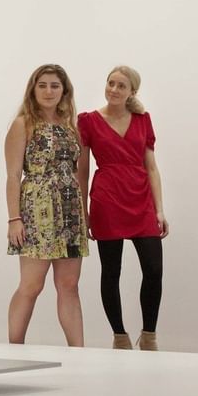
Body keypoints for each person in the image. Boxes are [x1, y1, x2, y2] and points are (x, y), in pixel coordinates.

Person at [77, 66, 167, 351]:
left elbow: (151, 167)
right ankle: (120, 336)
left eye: (121, 86)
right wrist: (84, 211)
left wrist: (159, 210)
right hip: (107, 198)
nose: (114, 89)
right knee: (111, 270)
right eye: (111, 83)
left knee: (153, 269)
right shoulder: (89, 121)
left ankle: (149, 335)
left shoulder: (143, 119)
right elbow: (82, 170)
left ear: (132, 92)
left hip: (140, 197)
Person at [6, 64, 88, 346]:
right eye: (42, 85)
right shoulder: (23, 125)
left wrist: (83, 216)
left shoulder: (70, 126)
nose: (49, 91)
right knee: (31, 285)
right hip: (36, 211)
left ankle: (79, 352)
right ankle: (15, 346)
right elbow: (14, 175)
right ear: (33, 89)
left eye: (55, 85)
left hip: (69, 212)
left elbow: (78, 171)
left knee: (69, 286)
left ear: (64, 90)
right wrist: (14, 219)